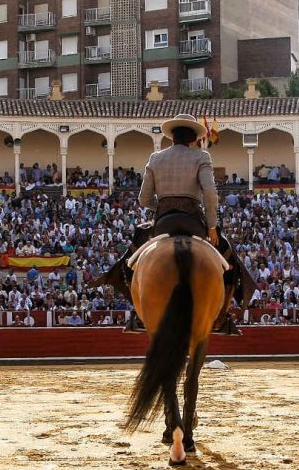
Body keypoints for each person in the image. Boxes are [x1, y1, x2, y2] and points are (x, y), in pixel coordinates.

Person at [91, 114, 254, 335]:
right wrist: (213, 227)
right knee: (228, 258)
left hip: (163, 223)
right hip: (194, 222)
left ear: (172, 137)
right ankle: (222, 316)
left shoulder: (156, 158)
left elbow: (143, 199)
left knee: (129, 261)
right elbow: (210, 193)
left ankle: (139, 314)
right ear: (194, 139)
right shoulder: (201, 157)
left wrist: (161, 206)